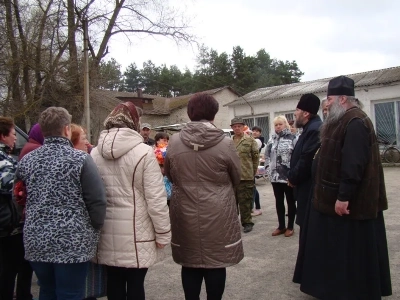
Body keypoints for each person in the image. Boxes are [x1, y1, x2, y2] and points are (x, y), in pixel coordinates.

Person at [294, 76, 392, 299]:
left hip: (350, 203)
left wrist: (343, 196)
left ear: (342, 99)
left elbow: (353, 164)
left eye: (328, 99)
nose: (326, 104)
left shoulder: (355, 122)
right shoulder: (343, 120)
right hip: (333, 199)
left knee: (352, 251)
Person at [15, 107, 107, 300]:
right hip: (73, 241)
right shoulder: (81, 160)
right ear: (67, 129)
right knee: (71, 293)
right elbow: (97, 201)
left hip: (37, 240)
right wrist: (95, 227)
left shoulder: (27, 161)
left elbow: (18, 196)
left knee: (47, 291)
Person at [164, 93, 243, 300]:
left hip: (184, 210)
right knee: (216, 262)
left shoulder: (174, 141)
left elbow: (170, 174)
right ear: (213, 114)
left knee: (189, 262)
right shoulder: (225, 143)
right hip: (218, 211)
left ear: (190, 114)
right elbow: (237, 175)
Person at [90, 102, 171, 300]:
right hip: (137, 233)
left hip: (106, 231)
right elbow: (156, 198)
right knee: (136, 283)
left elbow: (92, 197)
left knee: (114, 282)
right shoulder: (143, 153)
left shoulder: (94, 153)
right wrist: (163, 233)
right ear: (134, 122)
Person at [0, 117, 33, 300]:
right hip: (9, 226)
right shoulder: (4, 161)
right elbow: (12, 188)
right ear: (3, 136)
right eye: (13, 135)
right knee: (12, 269)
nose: (15, 139)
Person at [287, 94, 322, 230]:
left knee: (309, 228)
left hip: (308, 188)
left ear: (306, 113)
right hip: (304, 187)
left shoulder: (314, 130)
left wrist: (293, 177)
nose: (295, 114)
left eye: (297, 110)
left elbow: (306, 160)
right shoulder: (309, 128)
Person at [266, 115, 297, 237]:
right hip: (275, 177)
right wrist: (268, 169)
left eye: (280, 124)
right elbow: (267, 155)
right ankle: (281, 226)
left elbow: (296, 157)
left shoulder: (293, 138)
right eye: (276, 125)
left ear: (286, 124)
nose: (278, 127)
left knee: (290, 201)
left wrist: (294, 174)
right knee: (279, 201)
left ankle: (290, 227)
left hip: (288, 176)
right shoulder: (272, 139)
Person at [231, 117, 259, 233]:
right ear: (232, 128)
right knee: (232, 202)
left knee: (246, 202)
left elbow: (255, 158)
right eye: (235, 126)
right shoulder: (229, 141)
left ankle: (247, 222)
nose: (237, 128)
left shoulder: (250, 140)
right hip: (232, 177)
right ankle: (232, 223)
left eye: (239, 126)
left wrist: (252, 172)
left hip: (246, 176)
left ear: (243, 127)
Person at [251, 126, 263, 217]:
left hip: (252, 166)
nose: (255, 132)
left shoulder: (258, 141)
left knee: (253, 188)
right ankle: (255, 207)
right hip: (250, 166)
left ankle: (257, 208)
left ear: (260, 133)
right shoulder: (253, 139)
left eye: (257, 131)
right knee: (253, 188)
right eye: (253, 131)